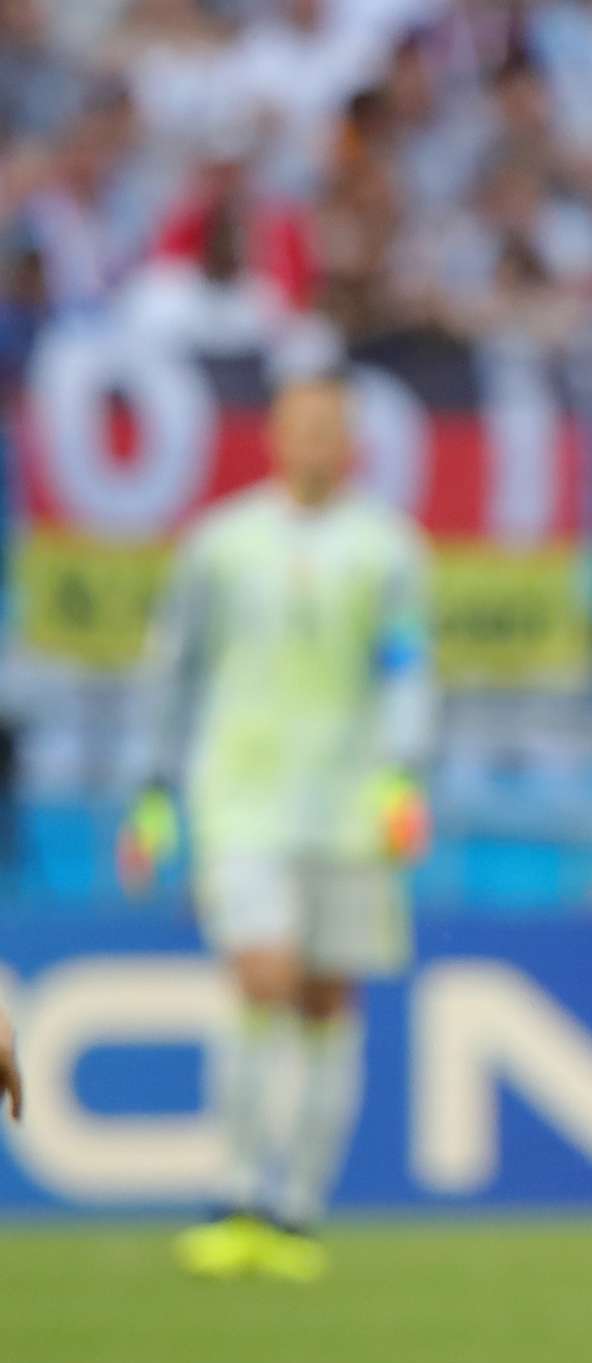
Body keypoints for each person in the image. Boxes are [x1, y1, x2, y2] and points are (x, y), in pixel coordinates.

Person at [122, 369, 435, 1285]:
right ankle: (235, 1192)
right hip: (240, 798)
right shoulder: (220, 544)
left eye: (331, 430)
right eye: (302, 428)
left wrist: (401, 779)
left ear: (351, 443)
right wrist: (153, 791)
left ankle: (297, 1208)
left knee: (328, 998)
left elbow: (406, 665)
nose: (317, 445)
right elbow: (171, 669)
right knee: (261, 976)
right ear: (275, 437)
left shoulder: (388, 547)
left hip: (345, 805)